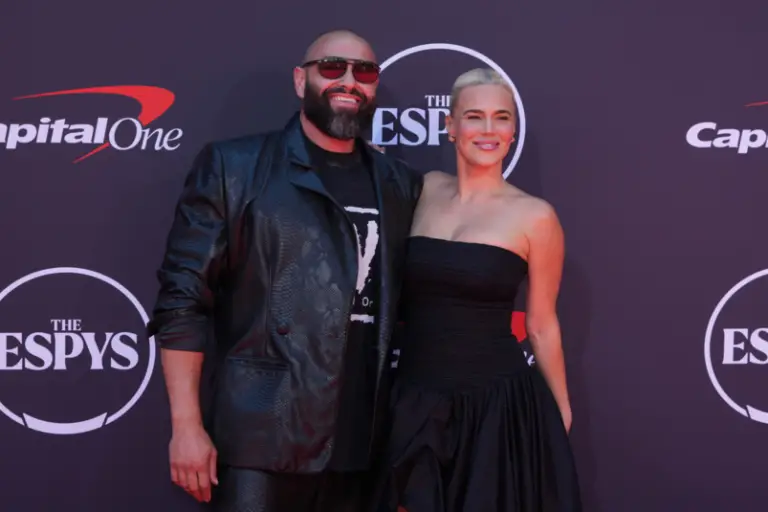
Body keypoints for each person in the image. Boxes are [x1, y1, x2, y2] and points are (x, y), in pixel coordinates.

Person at [147, 29, 423, 511]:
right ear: (301, 80)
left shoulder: (400, 183)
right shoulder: (235, 168)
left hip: (366, 444)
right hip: (262, 438)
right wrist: (186, 426)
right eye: (332, 67)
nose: (349, 81)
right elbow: (182, 302)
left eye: (364, 72)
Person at [378, 68, 582, 511]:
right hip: (414, 399)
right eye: (474, 116)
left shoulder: (536, 216)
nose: (489, 130)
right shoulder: (423, 189)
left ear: (513, 130)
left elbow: (541, 323)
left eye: (501, 117)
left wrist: (560, 409)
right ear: (450, 126)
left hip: (493, 409)